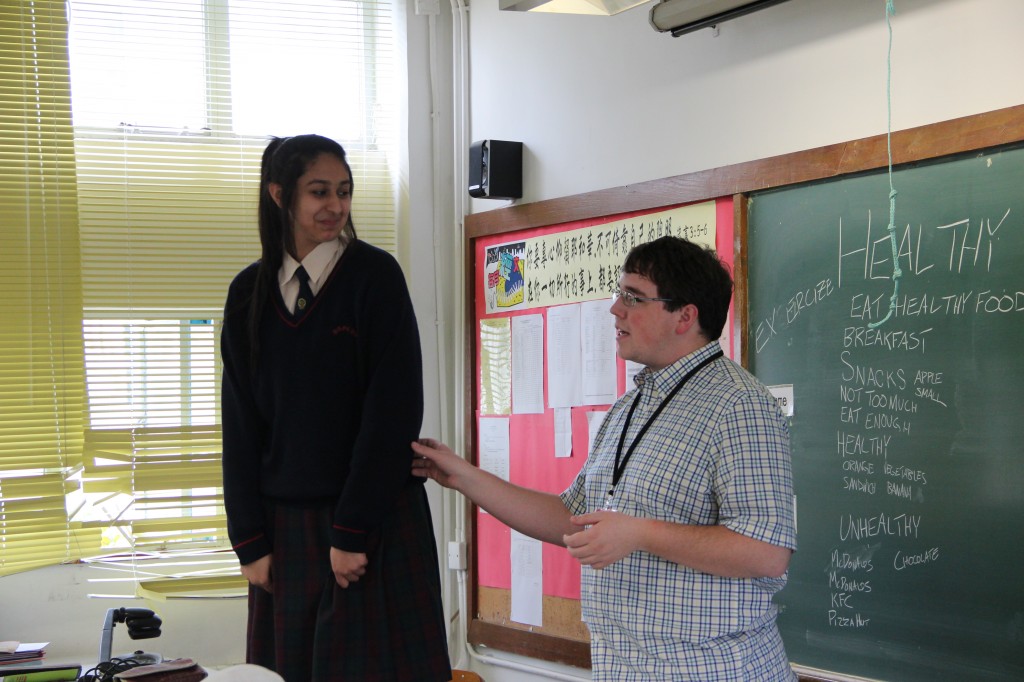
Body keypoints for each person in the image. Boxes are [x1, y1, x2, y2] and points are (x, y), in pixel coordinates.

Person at [412, 236, 797, 681]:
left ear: (685, 316)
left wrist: (640, 533)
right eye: (620, 294)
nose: (615, 309)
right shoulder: (629, 408)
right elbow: (572, 518)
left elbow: (766, 551)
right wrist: (464, 477)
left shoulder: (739, 406)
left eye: (633, 298)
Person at [221, 134, 451, 682]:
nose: (335, 206)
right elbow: (239, 424)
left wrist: (351, 531)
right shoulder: (248, 292)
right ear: (280, 195)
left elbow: (393, 413)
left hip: (373, 520)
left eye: (344, 191)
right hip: (285, 531)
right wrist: (248, 540)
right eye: (319, 192)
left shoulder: (376, 277)